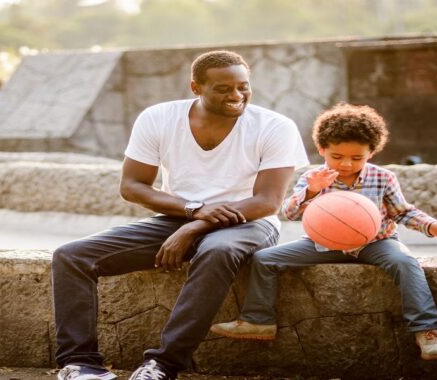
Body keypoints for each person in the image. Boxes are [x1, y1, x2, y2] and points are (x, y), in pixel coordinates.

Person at [52, 50, 309, 380]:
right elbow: (132, 186)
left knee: (218, 250)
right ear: (195, 88)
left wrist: (194, 228)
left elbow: (267, 201)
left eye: (243, 86)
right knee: (72, 256)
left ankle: (163, 364)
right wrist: (194, 212)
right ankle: (80, 363)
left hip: (249, 222)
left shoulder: (275, 126)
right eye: (223, 88)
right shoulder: (158, 118)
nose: (236, 95)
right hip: (178, 218)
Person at [210, 103, 437, 361]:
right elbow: (290, 212)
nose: (347, 163)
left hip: (376, 243)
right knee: (265, 259)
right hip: (323, 245)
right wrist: (312, 191)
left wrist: (431, 225)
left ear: (371, 152)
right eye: (337, 156)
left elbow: (401, 212)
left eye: (357, 158)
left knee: (405, 262)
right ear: (322, 150)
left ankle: (426, 331)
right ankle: (258, 320)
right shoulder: (313, 178)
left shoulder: (383, 178)